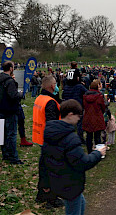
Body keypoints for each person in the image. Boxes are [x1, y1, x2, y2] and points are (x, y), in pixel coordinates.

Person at [40, 99, 106, 215]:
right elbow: (83, 163)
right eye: (78, 116)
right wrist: (98, 153)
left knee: (81, 203)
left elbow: (43, 159)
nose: (79, 119)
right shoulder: (71, 138)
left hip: (57, 180)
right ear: (70, 115)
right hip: (70, 184)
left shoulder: (50, 132)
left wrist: (44, 182)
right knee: (73, 209)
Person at [33, 75, 62, 208]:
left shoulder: (40, 98)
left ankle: (41, 193)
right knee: (52, 169)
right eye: (55, 84)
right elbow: (52, 123)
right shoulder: (50, 102)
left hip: (40, 137)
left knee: (43, 166)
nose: (56, 86)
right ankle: (51, 198)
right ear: (51, 86)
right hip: (50, 140)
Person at [0, 61, 23, 164]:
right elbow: (13, 96)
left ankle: (5, 154)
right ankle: (13, 157)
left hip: (0, 110)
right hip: (9, 111)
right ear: (10, 68)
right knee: (11, 134)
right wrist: (20, 94)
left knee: (2, 135)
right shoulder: (9, 81)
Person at [82, 80, 106, 154]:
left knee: (89, 136)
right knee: (97, 136)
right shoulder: (99, 96)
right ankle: (98, 152)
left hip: (88, 117)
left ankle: (89, 150)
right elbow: (103, 108)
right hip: (97, 117)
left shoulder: (85, 96)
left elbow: (84, 106)